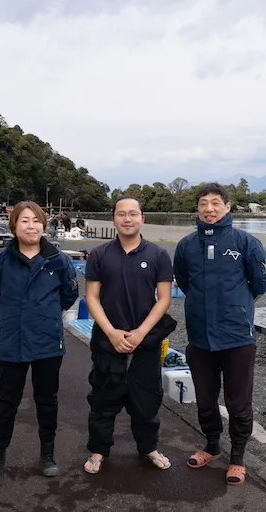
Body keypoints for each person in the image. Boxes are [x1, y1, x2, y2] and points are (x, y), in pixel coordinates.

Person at [173, 183, 266, 486]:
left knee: (238, 402)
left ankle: (238, 457)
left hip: (237, 337)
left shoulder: (245, 242)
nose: (210, 209)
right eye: (204, 203)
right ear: (198, 209)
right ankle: (212, 446)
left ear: (228, 207)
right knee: (205, 398)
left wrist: (236, 306)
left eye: (216, 203)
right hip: (200, 337)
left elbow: (260, 282)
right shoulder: (187, 245)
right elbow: (184, 281)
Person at [0, 201, 79, 485]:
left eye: (36, 220)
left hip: (48, 342)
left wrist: (44, 318)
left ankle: (48, 454)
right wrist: (10, 322)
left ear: (44, 225)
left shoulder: (59, 260)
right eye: (24, 220)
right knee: (6, 401)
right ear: (14, 226)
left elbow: (69, 295)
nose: (31, 226)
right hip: (12, 342)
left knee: (47, 400)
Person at [82, 196, 177, 475]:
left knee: (146, 398)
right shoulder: (99, 254)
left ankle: (148, 447)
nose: (127, 219)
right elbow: (91, 296)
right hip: (107, 340)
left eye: (133, 214)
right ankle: (98, 450)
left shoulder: (158, 255)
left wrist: (141, 332)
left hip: (145, 340)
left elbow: (164, 299)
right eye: (121, 214)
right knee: (103, 398)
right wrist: (111, 332)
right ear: (113, 219)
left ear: (142, 218)